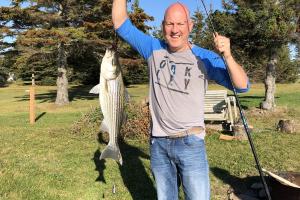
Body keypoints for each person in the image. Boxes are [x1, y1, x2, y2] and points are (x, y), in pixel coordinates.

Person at [112, 1, 249, 200]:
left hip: (191, 143)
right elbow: (120, 23)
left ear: (190, 26)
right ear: (162, 26)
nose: (174, 30)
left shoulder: (205, 57)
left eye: (180, 24)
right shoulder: (152, 48)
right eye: (169, 24)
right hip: (158, 144)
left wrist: (227, 55)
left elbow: (242, 85)